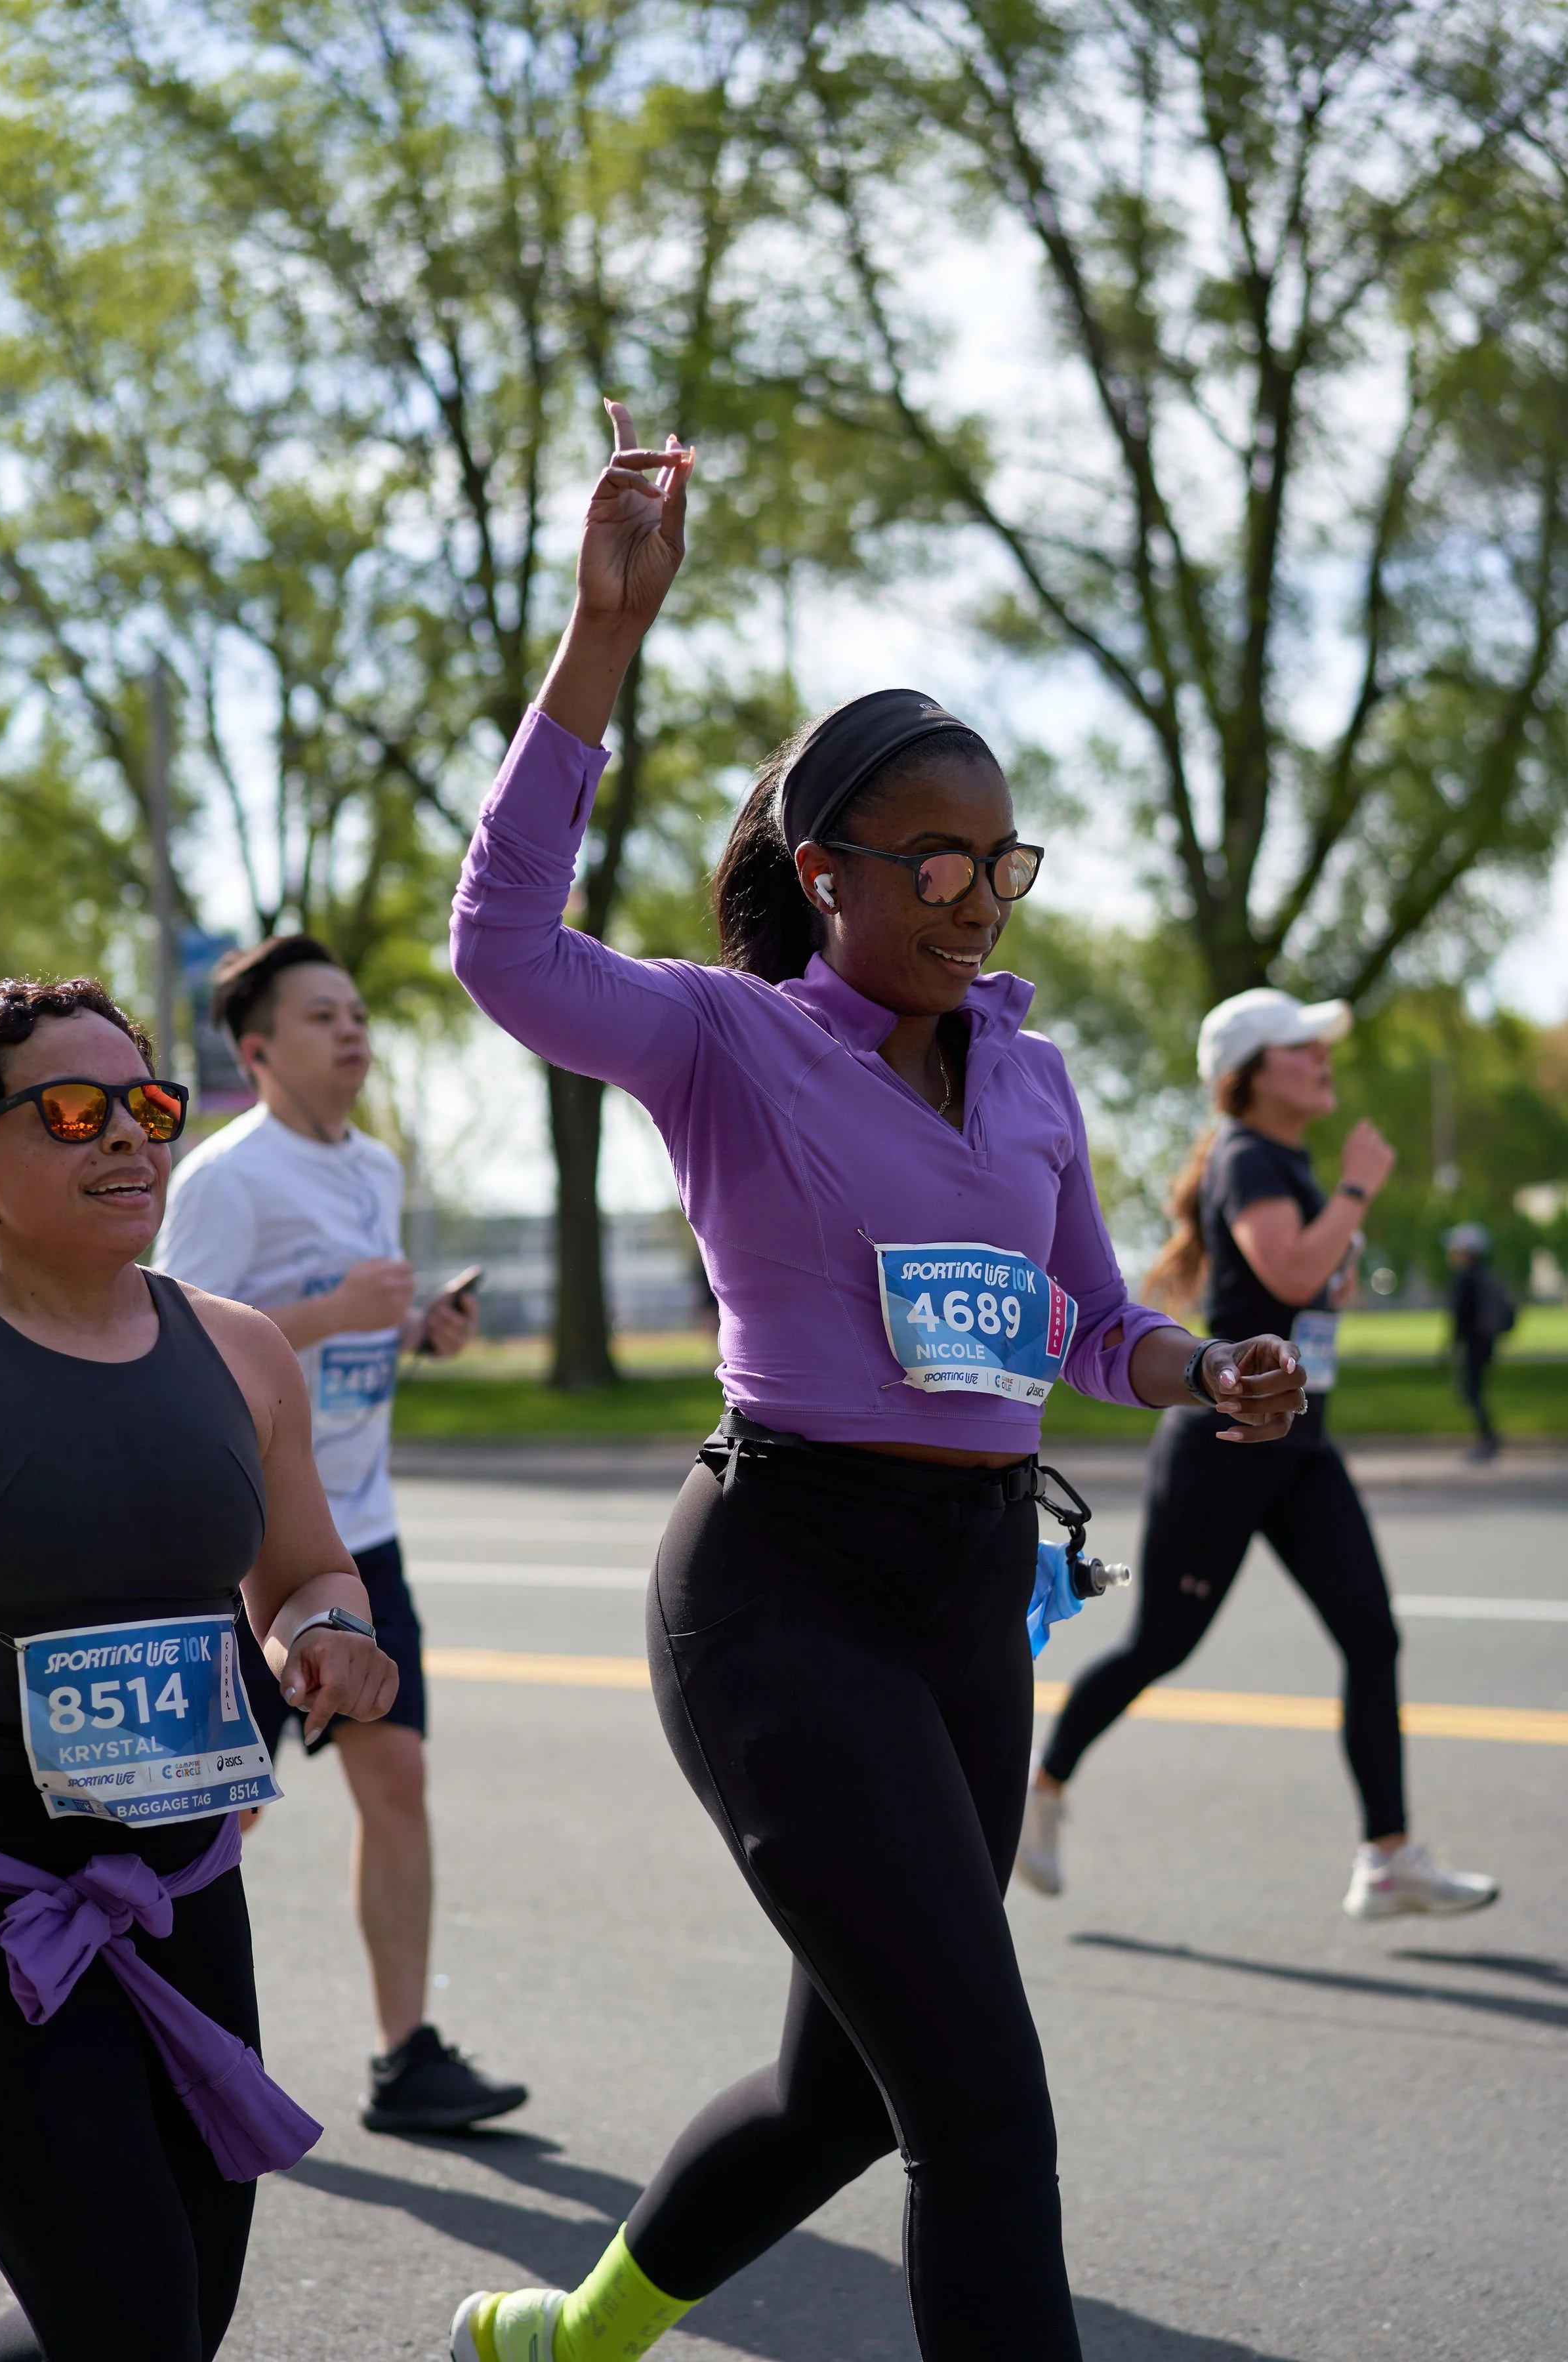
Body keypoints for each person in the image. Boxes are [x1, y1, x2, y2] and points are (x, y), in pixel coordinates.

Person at [440, 402, 1311, 2362]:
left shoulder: (1029, 1067)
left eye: (1001, 860)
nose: (977, 895)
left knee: (847, 2095)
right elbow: (498, 948)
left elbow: (1085, 1326)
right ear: (821, 868)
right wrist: (598, 647)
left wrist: (1203, 1369)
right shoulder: (726, 1044)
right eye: (935, 860)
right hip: (781, 1589)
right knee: (982, 2117)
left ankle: (555, 2345)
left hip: (965, 1595)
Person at [0, 974, 398, 2362]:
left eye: (149, 1107)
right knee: (129, 2314)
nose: (128, 1138)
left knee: (188, 2304)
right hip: (9, 1917)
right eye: (70, 1111)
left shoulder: (238, 1350)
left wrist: (329, 1633)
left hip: (184, 1896)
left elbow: (304, 1573)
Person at [1019, 987, 1500, 1925]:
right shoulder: (1248, 1156)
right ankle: (1040, 1788)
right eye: (1301, 1048)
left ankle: (1388, 1857)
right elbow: (1284, 1271)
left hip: (1300, 1442)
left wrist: (1340, 1250)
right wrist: (1358, 1186)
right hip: (1227, 1442)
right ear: (1248, 1075)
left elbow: (1315, 1289)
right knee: (1161, 1644)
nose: (1322, 1060)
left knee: (1372, 1636)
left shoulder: (1284, 1159)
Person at [154, 934, 527, 2136]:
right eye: (323, 1017)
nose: (354, 1031)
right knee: (216, 1819)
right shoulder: (225, 1179)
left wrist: (417, 1328)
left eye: (359, 1011)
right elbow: (173, 1347)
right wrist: (330, 1311)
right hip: (242, 1547)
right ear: (256, 1051)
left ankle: (405, 2056)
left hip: (358, 1530)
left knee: (397, 1775)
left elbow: (348, 1338)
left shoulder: (373, 1164)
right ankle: (147, 2038)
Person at [1445, 1221, 1512, 1461]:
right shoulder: (1486, 1275)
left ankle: (1488, 1438)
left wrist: (1451, 1345)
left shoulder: (1465, 1279)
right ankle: (1488, 1438)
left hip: (1474, 1344)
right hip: (1486, 1342)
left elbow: (1460, 1317)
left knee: (1471, 1392)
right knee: (1474, 1391)